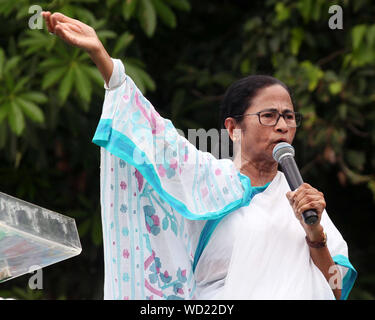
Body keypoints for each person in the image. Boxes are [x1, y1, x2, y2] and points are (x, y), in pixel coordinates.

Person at [41, 11, 357, 300]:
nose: (283, 126)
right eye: (269, 116)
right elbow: (154, 138)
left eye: (289, 117)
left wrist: (315, 235)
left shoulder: (304, 200)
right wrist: (103, 60)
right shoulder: (209, 181)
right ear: (233, 128)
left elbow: (335, 287)